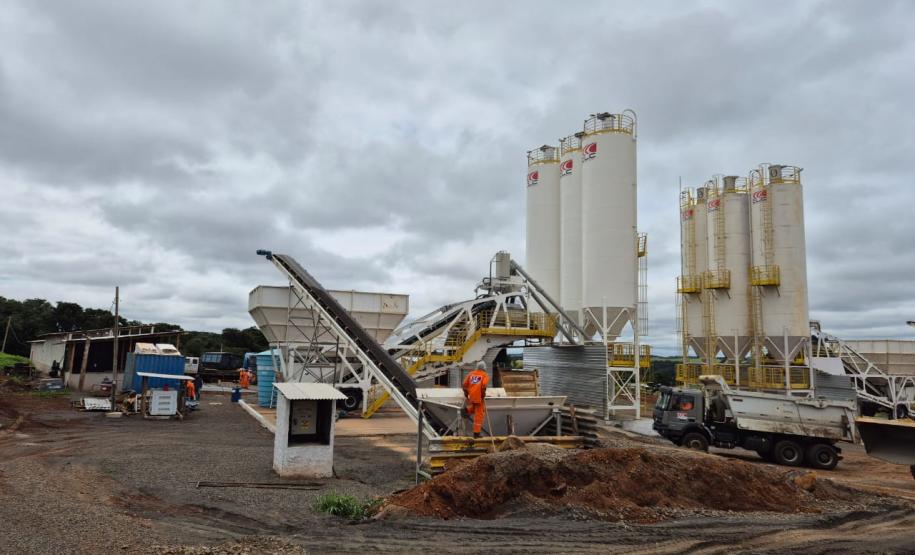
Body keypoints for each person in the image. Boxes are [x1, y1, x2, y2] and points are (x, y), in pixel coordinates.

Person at [462, 361, 490, 438]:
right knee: (479, 415)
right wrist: (483, 394)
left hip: (472, 397)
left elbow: (464, 384)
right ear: (484, 368)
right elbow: (484, 385)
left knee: (475, 408)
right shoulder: (485, 375)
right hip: (479, 397)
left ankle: (467, 410)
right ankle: (476, 433)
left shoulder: (471, 374)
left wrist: (466, 393)